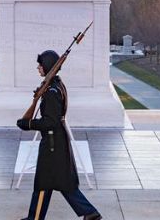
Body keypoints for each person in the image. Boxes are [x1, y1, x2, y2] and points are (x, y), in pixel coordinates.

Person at [16, 50, 102, 220]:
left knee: (44, 182)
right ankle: (90, 213)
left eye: (41, 64)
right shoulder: (54, 85)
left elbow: (51, 122)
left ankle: (35, 218)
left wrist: (29, 124)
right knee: (61, 182)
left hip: (52, 144)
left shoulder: (52, 92)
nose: (38, 68)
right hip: (56, 141)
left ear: (48, 66)